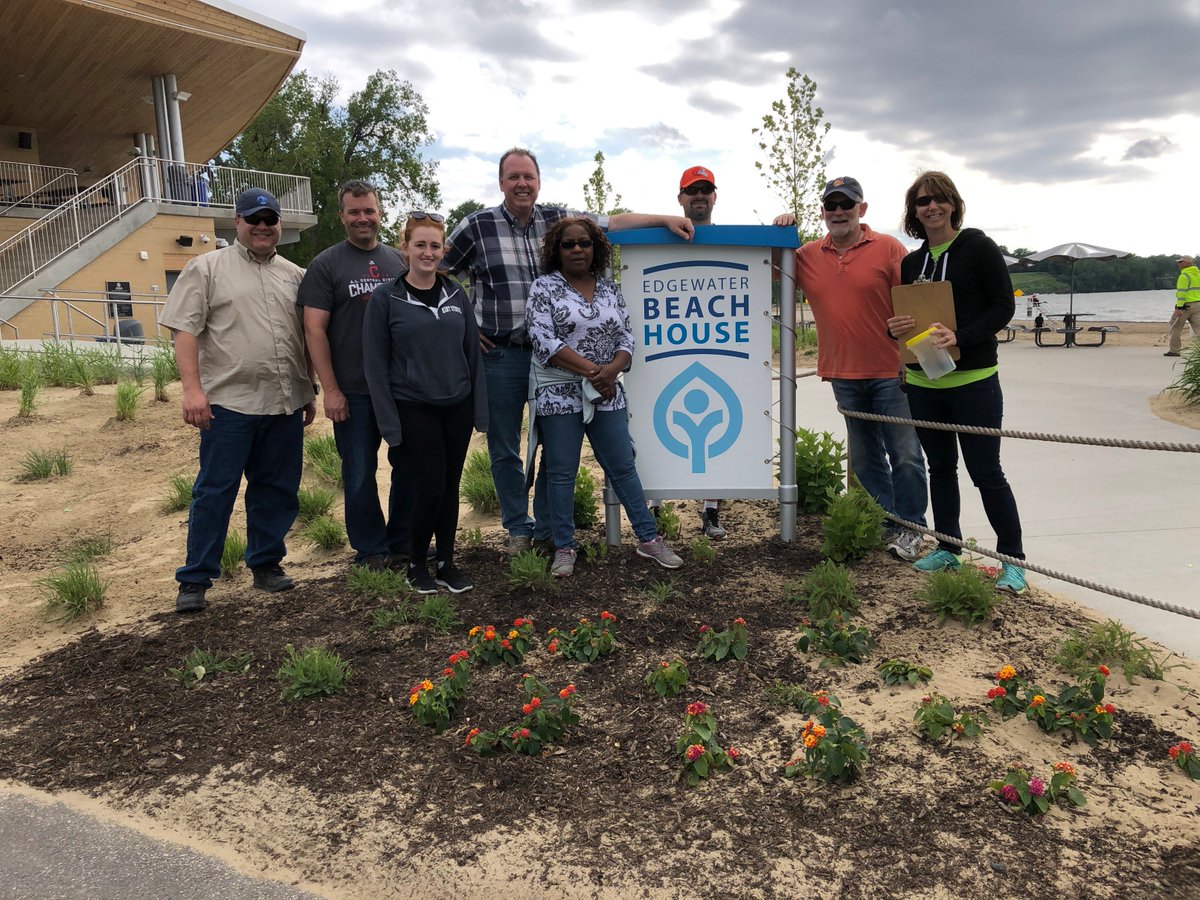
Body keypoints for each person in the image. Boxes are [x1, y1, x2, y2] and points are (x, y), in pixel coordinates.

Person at [442, 148, 695, 555]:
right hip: (503, 353)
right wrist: (466, 325)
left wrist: (664, 219)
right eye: (513, 177)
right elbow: (435, 272)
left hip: (563, 364)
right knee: (506, 446)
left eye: (528, 176)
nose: (522, 184)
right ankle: (517, 528)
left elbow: (613, 222)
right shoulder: (476, 226)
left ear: (538, 181)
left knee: (552, 449)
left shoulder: (557, 219)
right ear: (501, 182)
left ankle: (548, 531)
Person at [161, 188, 315, 613]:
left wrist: (309, 389)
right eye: (254, 219)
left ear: (279, 224)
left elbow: (305, 337)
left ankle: (266, 565)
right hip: (228, 404)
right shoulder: (206, 268)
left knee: (276, 490)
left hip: (284, 403)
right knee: (215, 491)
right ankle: (196, 578)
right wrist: (192, 391)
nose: (263, 227)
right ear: (239, 222)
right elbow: (184, 331)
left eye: (270, 220)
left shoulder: (294, 275)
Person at [773, 175, 929, 561]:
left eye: (847, 204)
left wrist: (914, 360)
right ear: (823, 212)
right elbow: (766, 270)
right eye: (831, 205)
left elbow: (915, 307)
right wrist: (779, 233)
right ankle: (884, 519)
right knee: (864, 458)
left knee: (906, 453)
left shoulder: (889, 248)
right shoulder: (806, 254)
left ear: (862, 209)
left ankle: (911, 527)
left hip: (891, 371)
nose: (838, 212)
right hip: (843, 373)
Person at [886, 171, 1026, 594]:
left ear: (953, 204)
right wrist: (894, 329)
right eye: (922, 201)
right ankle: (948, 546)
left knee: (987, 472)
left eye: (939, 199)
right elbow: (910, 322)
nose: (931, 207)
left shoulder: (979, 248)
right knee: (940, 468)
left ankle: (1013, 561)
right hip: (925, 381)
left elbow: (1004, 307)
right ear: (913, 212)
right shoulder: (911, 262)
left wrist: (961, 336)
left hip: (974, 380)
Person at [525, 217, 683, 577]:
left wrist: (611, 371)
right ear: (556, 250)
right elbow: (544, 341)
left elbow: (627, 337)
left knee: (622, 465)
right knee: (562, 472)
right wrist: (594, 372)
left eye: (585, 243)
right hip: (559, 393)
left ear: (596, 247)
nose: (578, 249)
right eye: (569, 244)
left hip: (608, 390)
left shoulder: (610, 289)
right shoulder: (544, 288)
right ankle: (564, 547)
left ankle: (647, 538)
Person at [363, 211, 487, 595]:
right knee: (429, 486)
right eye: (420, 244)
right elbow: (375, 363)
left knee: (451, 485)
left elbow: (473, 354)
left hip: (457, 404)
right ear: (405, 248)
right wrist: (388, 422)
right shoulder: (386, 298)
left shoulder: (456, 294)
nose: (428, 252)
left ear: (444, 250)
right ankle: (417, 564)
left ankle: (447, 562)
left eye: (435, 245)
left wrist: (479, 409)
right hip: (413, 405)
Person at [297, 180, 412, 572]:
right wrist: (329, 390)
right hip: (354, 391)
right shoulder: (326, 265)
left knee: (407, 467)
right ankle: (370, 548)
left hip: (399, 390)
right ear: (342, 216)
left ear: (380, 213)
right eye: (354, 212)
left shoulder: (400, 261)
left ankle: (402, 541)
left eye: (370, 210)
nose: (363, 218)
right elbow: (313, 330)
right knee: (360, 472)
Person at [645, 165, 727, 539]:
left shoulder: (732, 241)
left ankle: (711, 512)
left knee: (717, 430)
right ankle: (657, 509)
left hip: (720, 346)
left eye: (705, 189)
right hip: (666, 347)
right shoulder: (660, 238)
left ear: (714, 196)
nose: (699, 195)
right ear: (680, 198)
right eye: (692, 190)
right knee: (655, 423)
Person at [1164, 255, 1200, 357]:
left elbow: (1182, 293)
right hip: (1198, 304)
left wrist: (1179, 308)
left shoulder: (1184, 276)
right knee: (1198, 328)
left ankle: (1174, 351)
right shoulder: (1198, 274)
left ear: (1187, 263)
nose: (1178, 264)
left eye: (1181, 262)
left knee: (1175, 327)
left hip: (1185, 306)